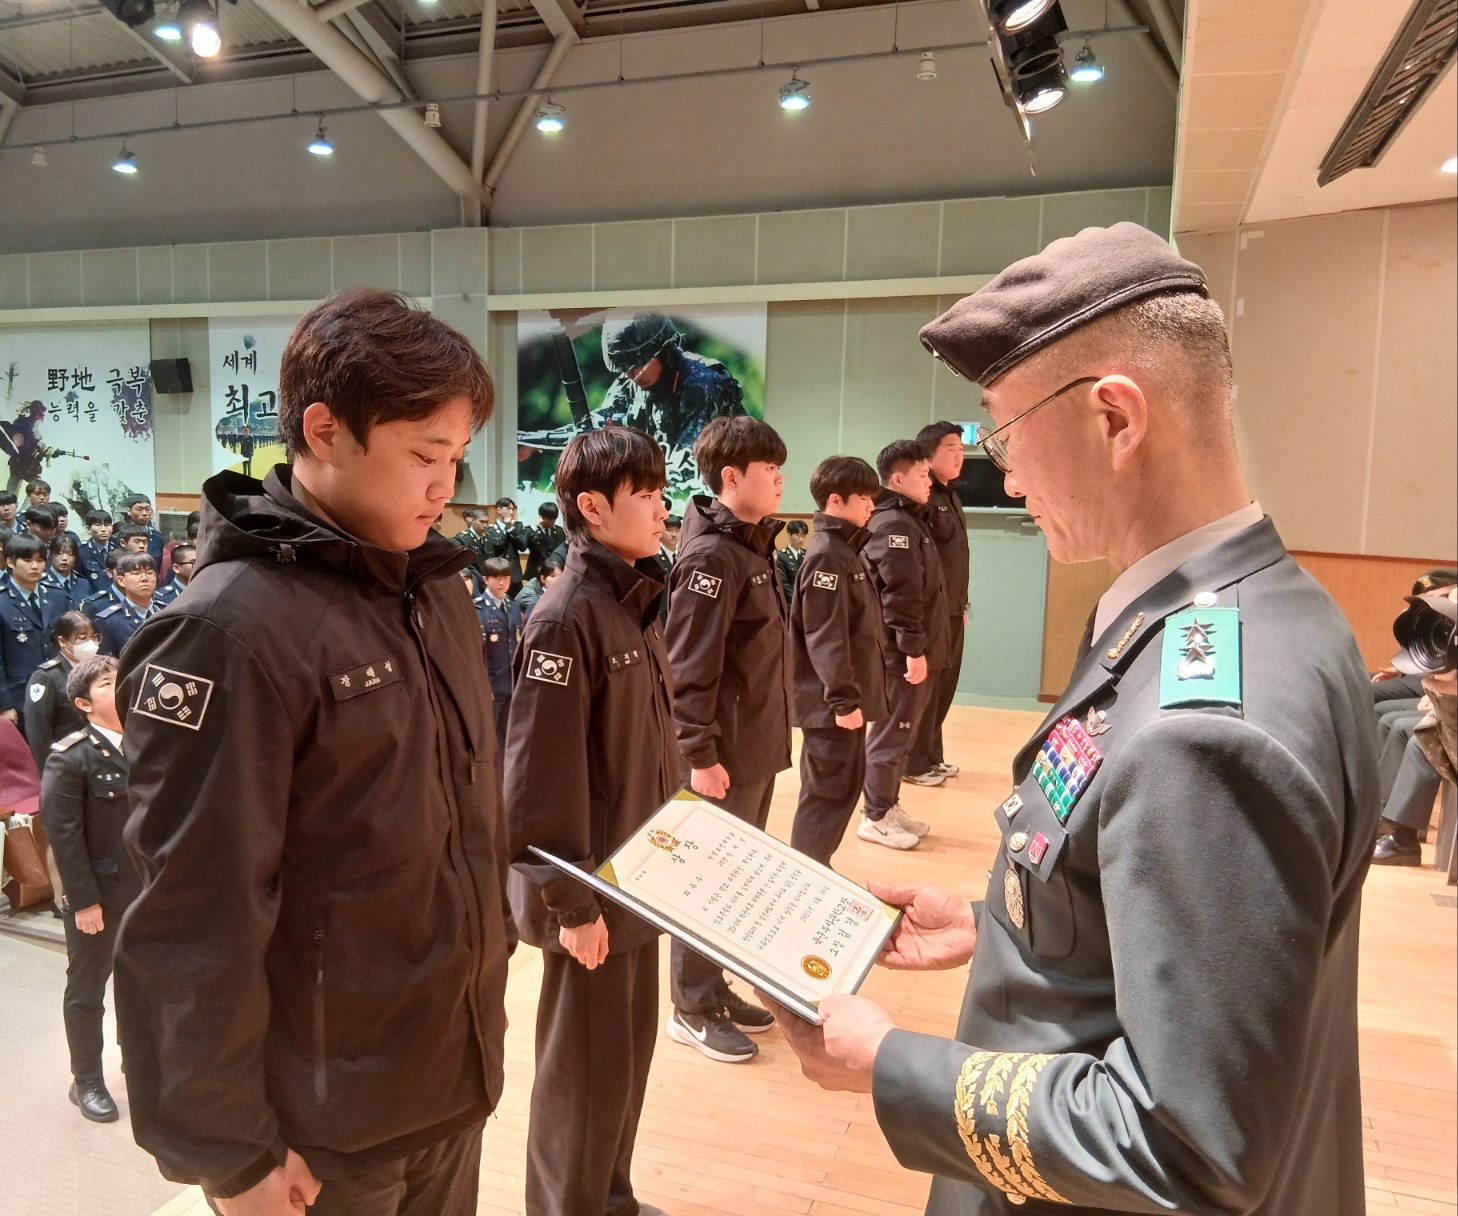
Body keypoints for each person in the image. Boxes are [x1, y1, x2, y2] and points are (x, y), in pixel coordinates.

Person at [769, 223, 1381, 1216]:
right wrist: (1003, 928)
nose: (1005, 476)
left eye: (1008, 436)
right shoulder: (1257, 608)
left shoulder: (1203, 729)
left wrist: (890, 1065)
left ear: (1115, 417)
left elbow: (1187, 1143)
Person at [113, 288, 511, 1215]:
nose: (444, 486)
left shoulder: (434, 590)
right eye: (423, 455)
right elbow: (189, 914)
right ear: (325, 431)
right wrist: (230, 1156)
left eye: (455, 457)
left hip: (451, 1076)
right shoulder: (227, 633)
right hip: (321, 1133)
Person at [504, 425, 677, 1216]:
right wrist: (570, 904)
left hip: (642, 883)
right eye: (646, 495)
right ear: (593, 506)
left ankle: (611, 1199)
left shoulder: (631, 599)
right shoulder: (565, 617)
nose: (663, 508)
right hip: (594, 894)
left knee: (624, 1069)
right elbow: (540, 778)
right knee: (580, 1079)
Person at [663, 415, 789, 1062]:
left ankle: (712, 984)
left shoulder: (747, 545)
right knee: (709, 878)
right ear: (731, 476)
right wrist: (699, 752)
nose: (780, 481)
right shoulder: (712, 556)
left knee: (734, 877)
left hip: (752, 745)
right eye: (771, 471)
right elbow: (689, 663)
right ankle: (690, 1004)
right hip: (725, 754)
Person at [39, 654, 138, 1124]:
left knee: (141, 987)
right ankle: (87, 1081)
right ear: (83, 702)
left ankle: (137, 1067)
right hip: (99, 896)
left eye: (122, 679)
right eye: (107, 683)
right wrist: (84, 902)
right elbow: (64, 836)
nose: (119, 687)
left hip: (145, 892)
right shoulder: (71, 756)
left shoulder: (146, 744)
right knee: (87, 990)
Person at [789, 456, 888, 866]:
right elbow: (824, 636)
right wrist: (844, 700)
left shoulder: (846, 549)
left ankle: (816, 866)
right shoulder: (828, 555)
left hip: (844, 703)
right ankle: (805, 872)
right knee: (825, 794)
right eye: (864, 498)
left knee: (842, 789)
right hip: (831, 707)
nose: (871, 507)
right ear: (835, 500)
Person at [857, 440, 947, 849]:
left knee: (904, 732)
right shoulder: (893, 524)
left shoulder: (909, 520)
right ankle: (874, 817)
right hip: (900, 655)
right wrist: (913, 649)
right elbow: (899, 593)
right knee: (893, 734)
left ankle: (887, 806)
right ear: (897, 478)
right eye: (922, 475)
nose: (929, 483)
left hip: (915, 648)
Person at [599, 313, 747, 492]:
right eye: (626, 368)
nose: (633, 375)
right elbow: (600, 421)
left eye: (639, 364)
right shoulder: (631, 381)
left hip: (717, 493)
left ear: (661, 352)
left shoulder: (701, 385)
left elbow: (686, 470)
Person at [907, 421, 970, 783]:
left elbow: (954, 560)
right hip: (929, 613)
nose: (959, 456)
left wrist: (962, 604)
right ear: (928, 455)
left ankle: (932, 755)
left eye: (961, 449)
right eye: (951, 449)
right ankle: (913, 763)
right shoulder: (925, 498)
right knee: (925, 690)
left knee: (944, 686)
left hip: (953, 610)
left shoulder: (951, 495)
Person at [1, 532, 70, 731]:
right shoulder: (3, 601)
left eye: (40, 560)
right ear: (10, 562)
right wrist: (4, 705)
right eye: (27, 560)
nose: (35, 566)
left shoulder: (56, 595)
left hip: (60, 691)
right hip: (20, 695)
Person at [23, 610, 99, 772]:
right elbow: (39, 734)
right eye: (82, 638)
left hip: (101, 758)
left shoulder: (102, 669)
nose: (90, 643)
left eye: (93, 637)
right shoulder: (46, 677)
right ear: (63, 642)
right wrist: (51, 772)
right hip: (68, 761)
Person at [474, 556, 523, 755]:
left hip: (510, 682)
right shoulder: (477, 608)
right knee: (488, 738)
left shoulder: (513, 606)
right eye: (496, 578)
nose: (502, 583)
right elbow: (477, 653)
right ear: (486, 579)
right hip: (490, 685)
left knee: (508, 736)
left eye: (506, 578)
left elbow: (517, 644)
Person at [95, 552, 159, 657]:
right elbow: (107, 665)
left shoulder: (166, 611)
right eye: (136, 573)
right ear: (121, 580)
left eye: (149, 573)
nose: (144, 578)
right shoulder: (109, 621)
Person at [484, 496, 529, 598]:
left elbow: (523, 547)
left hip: (515, 575)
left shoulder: (517, 527)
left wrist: (511, 530)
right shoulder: (490, 530)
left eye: (513, 509)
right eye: (508, 509)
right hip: (499, 573)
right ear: (499, 510)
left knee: (517, 604)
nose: (511, 512)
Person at [114, 493, 166, 563]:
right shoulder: (118, 537)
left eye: (147, 509)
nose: (144, 513)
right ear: (129, 511)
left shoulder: (157, 537)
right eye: (139, 509)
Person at [43, 534, 90, 610]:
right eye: (59, 553)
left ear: (75, 557)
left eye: (70, 554)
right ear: (49, 554)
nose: (64, 558)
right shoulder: (41, 583)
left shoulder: (83, 583)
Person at [524, 501, 567, 582]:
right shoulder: (532, 530)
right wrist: (534, 527)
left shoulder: (559, 530)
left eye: (554, 519)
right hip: (536, 573)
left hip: (555, 572)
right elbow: (522, 546)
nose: (553, 522)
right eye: (550, 519)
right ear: (542, 517)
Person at [515, 555, 564, 620]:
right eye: (552, 576)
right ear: (542, 578)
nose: (558, 579)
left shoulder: (565, 597)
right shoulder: (535, 604)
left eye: (560, 575)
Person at [78, 510, 113, 591]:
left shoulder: (118, 551)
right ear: (88, 529)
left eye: (107, 525)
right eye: (98, 525)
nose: (103, 529)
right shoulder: (81, 551)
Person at [777, 518, 809, 605]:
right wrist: (797, 602)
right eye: (798, 536)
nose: (801, 539)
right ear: (790, 535)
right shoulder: (782, 556)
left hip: (806, 601)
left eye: (803, 536)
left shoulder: (807, 555)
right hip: (790, 603)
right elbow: (784, 584)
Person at [450, 506, 491, 572]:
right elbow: (467, 566)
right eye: (481, 522)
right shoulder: (463, 539)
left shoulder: (487, 538)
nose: (484, 525)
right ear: (472, 520)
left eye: (486, 522)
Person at [153, 542, 195, 607]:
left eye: (200, 562)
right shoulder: (162, 599)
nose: (198, 566)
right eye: (193, 563)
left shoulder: (207, 592)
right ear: (176, 568)